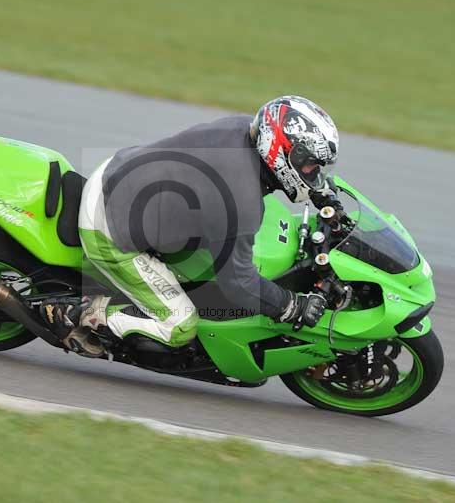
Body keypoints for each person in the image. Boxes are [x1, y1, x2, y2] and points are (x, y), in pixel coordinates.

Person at [41, 95, 343, 357]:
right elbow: (239, 285)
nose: (313, 172)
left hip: (117, 173)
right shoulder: (240, 200)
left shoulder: (242, 129)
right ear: (282, 153)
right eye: (310, 165)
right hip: (107, 229)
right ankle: (80, 314)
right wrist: (290, 306)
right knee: (180, 325)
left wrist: (320, 193)